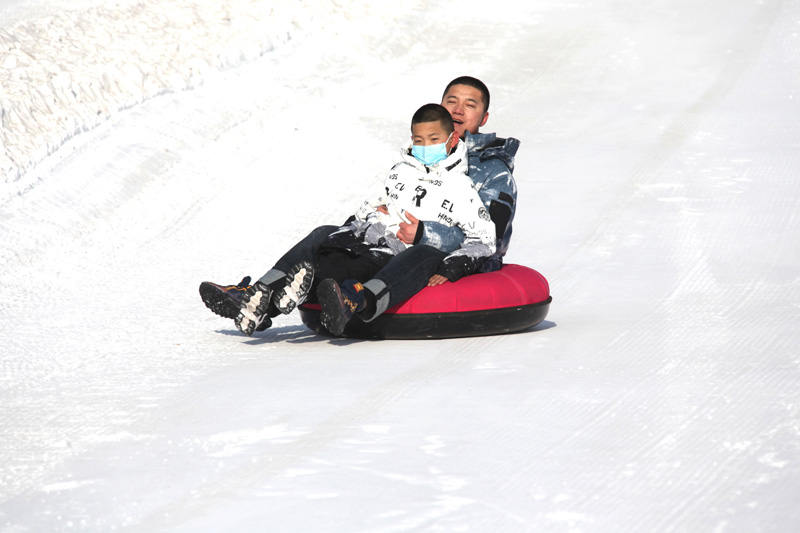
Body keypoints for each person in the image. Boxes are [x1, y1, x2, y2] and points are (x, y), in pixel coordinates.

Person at [199, 76, 520, 334]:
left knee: (414, 253)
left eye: (470, 104)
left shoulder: (491, 172)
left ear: (483, 117)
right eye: (452, 101)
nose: (458, 110)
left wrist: (425, 234)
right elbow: (387, 199)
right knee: (326, 233)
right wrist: (354, 229)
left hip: (431, 254)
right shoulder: (416, 160)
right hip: (390, 241)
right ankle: (258, 295)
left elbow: (490, 238)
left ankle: (357, 298)